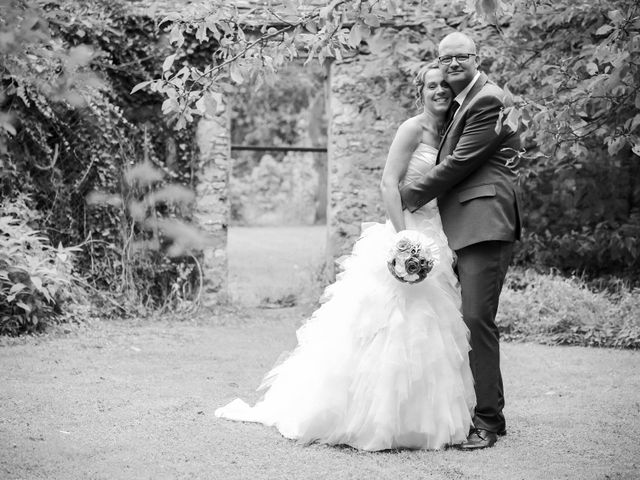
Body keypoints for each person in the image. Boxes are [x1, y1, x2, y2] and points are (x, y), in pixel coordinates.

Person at [215, 65, 476, 451]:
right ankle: (372, 417)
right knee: (387, 322)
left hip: (436, 234)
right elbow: (389, 183)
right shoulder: (412, 129)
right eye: (431, 85)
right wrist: (403, 238)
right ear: (419, 91)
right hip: (406, 231)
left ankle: (422, 420)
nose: (439, 90)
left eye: (444, 85)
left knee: (432, 326)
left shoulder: (455, 130)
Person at [400, 31, 522, 450]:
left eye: (460, 58)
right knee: (463, 320)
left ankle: (488, 421)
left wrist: (409, 196)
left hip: (484, 222)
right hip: (460, 227)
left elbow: (459, 163)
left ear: (477, 58)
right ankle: (485, 412)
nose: (452, 65)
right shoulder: (459, 102)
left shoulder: (487, 99)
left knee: (475, 320)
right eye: (444, 58)